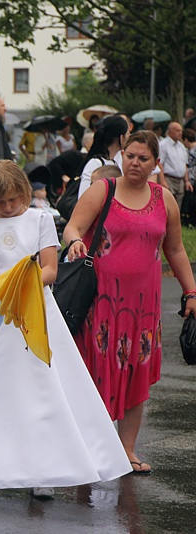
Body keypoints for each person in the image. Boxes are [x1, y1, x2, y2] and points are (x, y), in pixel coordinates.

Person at [0, 160, 131, 497]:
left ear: (23, 193)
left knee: (42, 388)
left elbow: (51, 269)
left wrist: (25, 282)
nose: (7, 208)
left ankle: (45, 470)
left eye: (13, 200)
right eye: (0, 202)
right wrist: (4, 284)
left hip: (37, 310)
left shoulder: (39, 219)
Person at [64, 131, 196, 475]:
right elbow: (73, 226)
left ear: (156, 163)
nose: (135, 163)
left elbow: (176, 250)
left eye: (143, 158)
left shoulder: (164, 198)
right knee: (96, 371)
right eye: (130, 156)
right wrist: (75, 241)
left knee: (137, 373)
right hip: (101, 302)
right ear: (121, 156)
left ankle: (126, 451)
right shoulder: (102, 190)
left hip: (144, 306)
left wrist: (191, 291)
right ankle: (88, 448)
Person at [77, 115, 128, 198]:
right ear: (122, 138)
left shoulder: (121, 160)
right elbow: (83, 197)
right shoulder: (95, 163)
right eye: (128, 133)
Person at [159, 122, 192, 208]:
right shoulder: (163, 145)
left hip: (180, 181)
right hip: (169, 179)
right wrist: (162, 181)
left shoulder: (181, 146)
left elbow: (184, 164)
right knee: (169, 206)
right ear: (170, 131)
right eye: (178, 131)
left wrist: (187, 180)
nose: (180, 133)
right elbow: (160, 163)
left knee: (178, 207)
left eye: (181, 131)